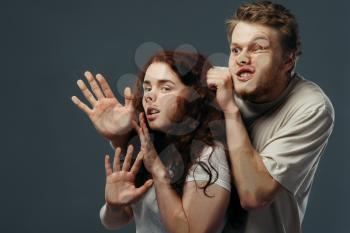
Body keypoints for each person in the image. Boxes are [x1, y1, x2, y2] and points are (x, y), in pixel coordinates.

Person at [71, 51, 236, 233]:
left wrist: (158, 173)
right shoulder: (149, 144)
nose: (149, 96)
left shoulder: (209, 155)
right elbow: (115, 220)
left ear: (195, 97)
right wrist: (114, 206)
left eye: (166, 88)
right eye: (147, 88)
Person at [206, 1, 335, 233]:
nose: (242, 59)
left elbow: (254, 195)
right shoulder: (212, 88)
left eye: (257, 49)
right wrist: (122, 136)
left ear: (287, 60)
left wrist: (231, 111)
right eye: (236, 49)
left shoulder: (311, 106)